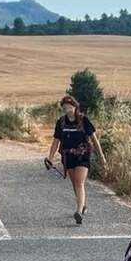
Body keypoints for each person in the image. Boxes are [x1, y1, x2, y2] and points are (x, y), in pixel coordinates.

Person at [47, 95, 107, 225]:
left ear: (75, 106)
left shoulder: (84, 120)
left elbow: (95, 140)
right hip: (68, 157)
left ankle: (79, 211)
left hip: (82, 155)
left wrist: (101, 157)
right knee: (75, 183)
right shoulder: (61, 122)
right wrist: (50, 158)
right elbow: (56, 141)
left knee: (79, 182)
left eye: (69, 105)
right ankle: (82, 204)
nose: (67, 108)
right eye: (64, 106)